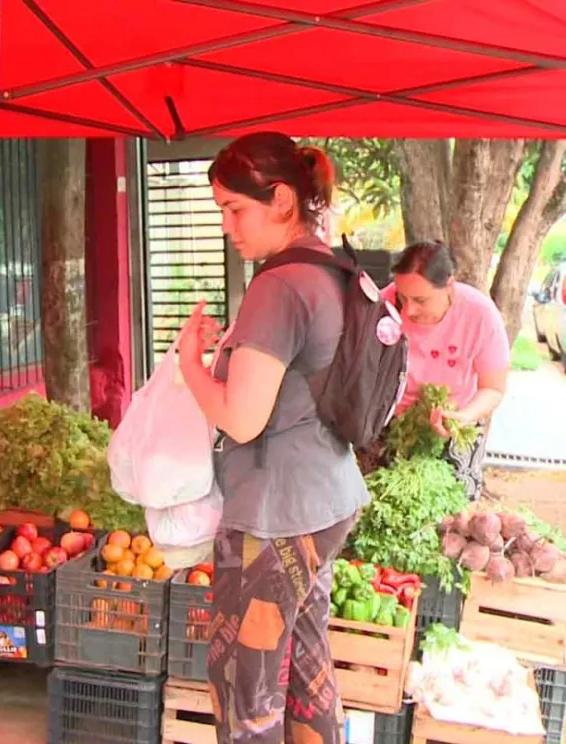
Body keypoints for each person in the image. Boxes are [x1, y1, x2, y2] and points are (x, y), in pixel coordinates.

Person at [178, 132, 367, 743]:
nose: (227, 226)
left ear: (282, 200)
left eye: (235, 209)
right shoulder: (329, 270)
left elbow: (241, 419)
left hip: (274, 517)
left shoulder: (278, 286)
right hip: (326, 499)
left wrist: (189, 365)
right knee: (308, 671)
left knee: (246, 686)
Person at [382, 241, 510, 499]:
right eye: (402, 297)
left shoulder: (480, 314)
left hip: (457, 417)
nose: (408, 310)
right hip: (393, 422)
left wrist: (463, 416)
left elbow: (493, 389)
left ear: (449, 285)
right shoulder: (383, 304)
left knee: (455, 504)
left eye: (420, 300)